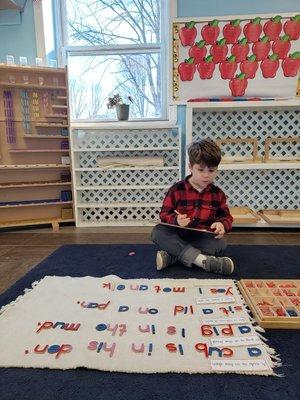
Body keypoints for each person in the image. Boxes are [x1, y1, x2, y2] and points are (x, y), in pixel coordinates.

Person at [151, 138, 234, 275]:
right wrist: (176, 220)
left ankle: (172, 256)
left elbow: (226, 217)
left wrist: (222, 224)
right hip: (178, 234)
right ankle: (203, 261)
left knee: (221, 242)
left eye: (211, 170)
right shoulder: (177, 189)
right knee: (158, 232)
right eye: (201, 170)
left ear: (217, 169)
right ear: (190, 167)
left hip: (202, 236)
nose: (206, 175)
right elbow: (164, 214)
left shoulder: (218, 194)